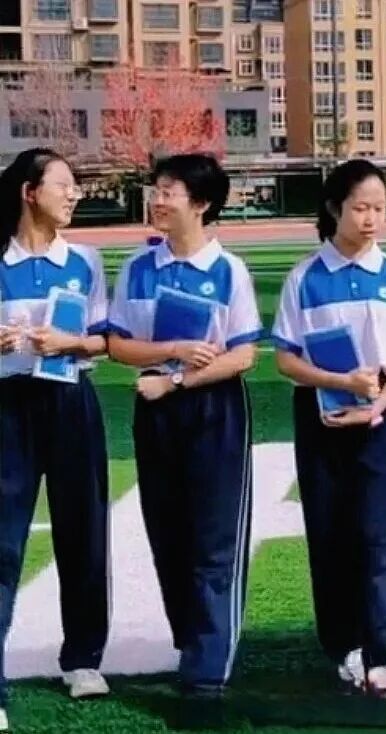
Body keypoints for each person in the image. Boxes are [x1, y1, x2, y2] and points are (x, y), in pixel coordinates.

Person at [107, 153, 262, 696]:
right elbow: (118, 344)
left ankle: (207, 670)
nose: (158, 200)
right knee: (168, 533)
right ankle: (191, 642)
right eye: (157, 190)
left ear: (200, 204)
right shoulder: (137, 267)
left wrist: (176, 380)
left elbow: (243, 354)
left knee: (213, 537)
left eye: (168, 192)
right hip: (154, 408)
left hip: (213, 408)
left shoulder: (229, 271)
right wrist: (171, 351)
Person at [272, 159, 386, 699]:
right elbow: (286, 359)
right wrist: (341, 381)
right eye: (361, 207)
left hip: (380, 417)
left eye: (380, 208)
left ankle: (384, 654)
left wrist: (377, 401)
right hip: (323, 417)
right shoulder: (305, 278)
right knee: (330, 535)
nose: (372, 218)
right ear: (335, 208)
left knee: (379, 536)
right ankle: (344, 647)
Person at [0, 148, 111, 732]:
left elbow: (104, 339)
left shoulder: (85, 260)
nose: (74, 195)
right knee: (2, 544)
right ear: (29, 192)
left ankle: (84, 659)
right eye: (64, 185)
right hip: (8, 408)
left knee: (83, 531)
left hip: (71, 403)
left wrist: (71, 344)